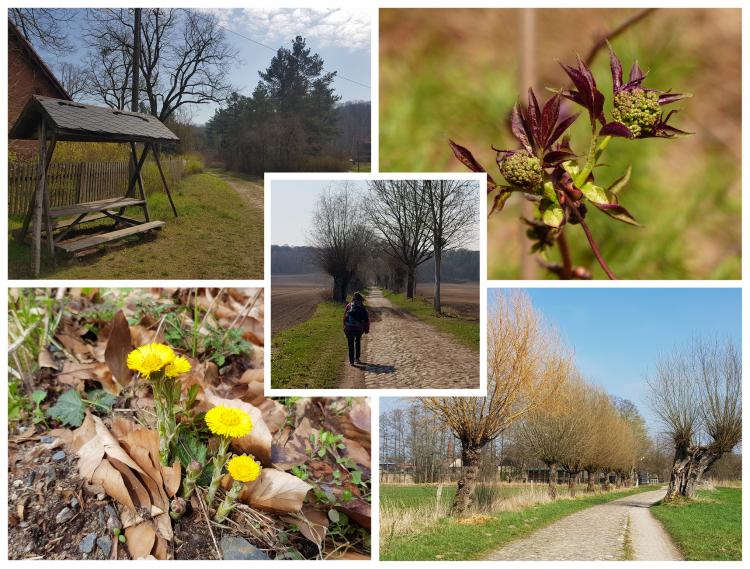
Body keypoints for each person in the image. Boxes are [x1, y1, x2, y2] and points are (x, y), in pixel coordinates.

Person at [343, 292, 369, 366]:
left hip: (349, 328)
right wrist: (365, 329)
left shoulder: (348, 306)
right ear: (360, 299)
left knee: (350, 345)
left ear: (353, 298)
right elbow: (366, 319)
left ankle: (351, 362)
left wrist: (344, 327)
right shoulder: (361, 306)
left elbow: (344, 317)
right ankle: (357, 358)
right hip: (358, 328)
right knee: (357, 342)